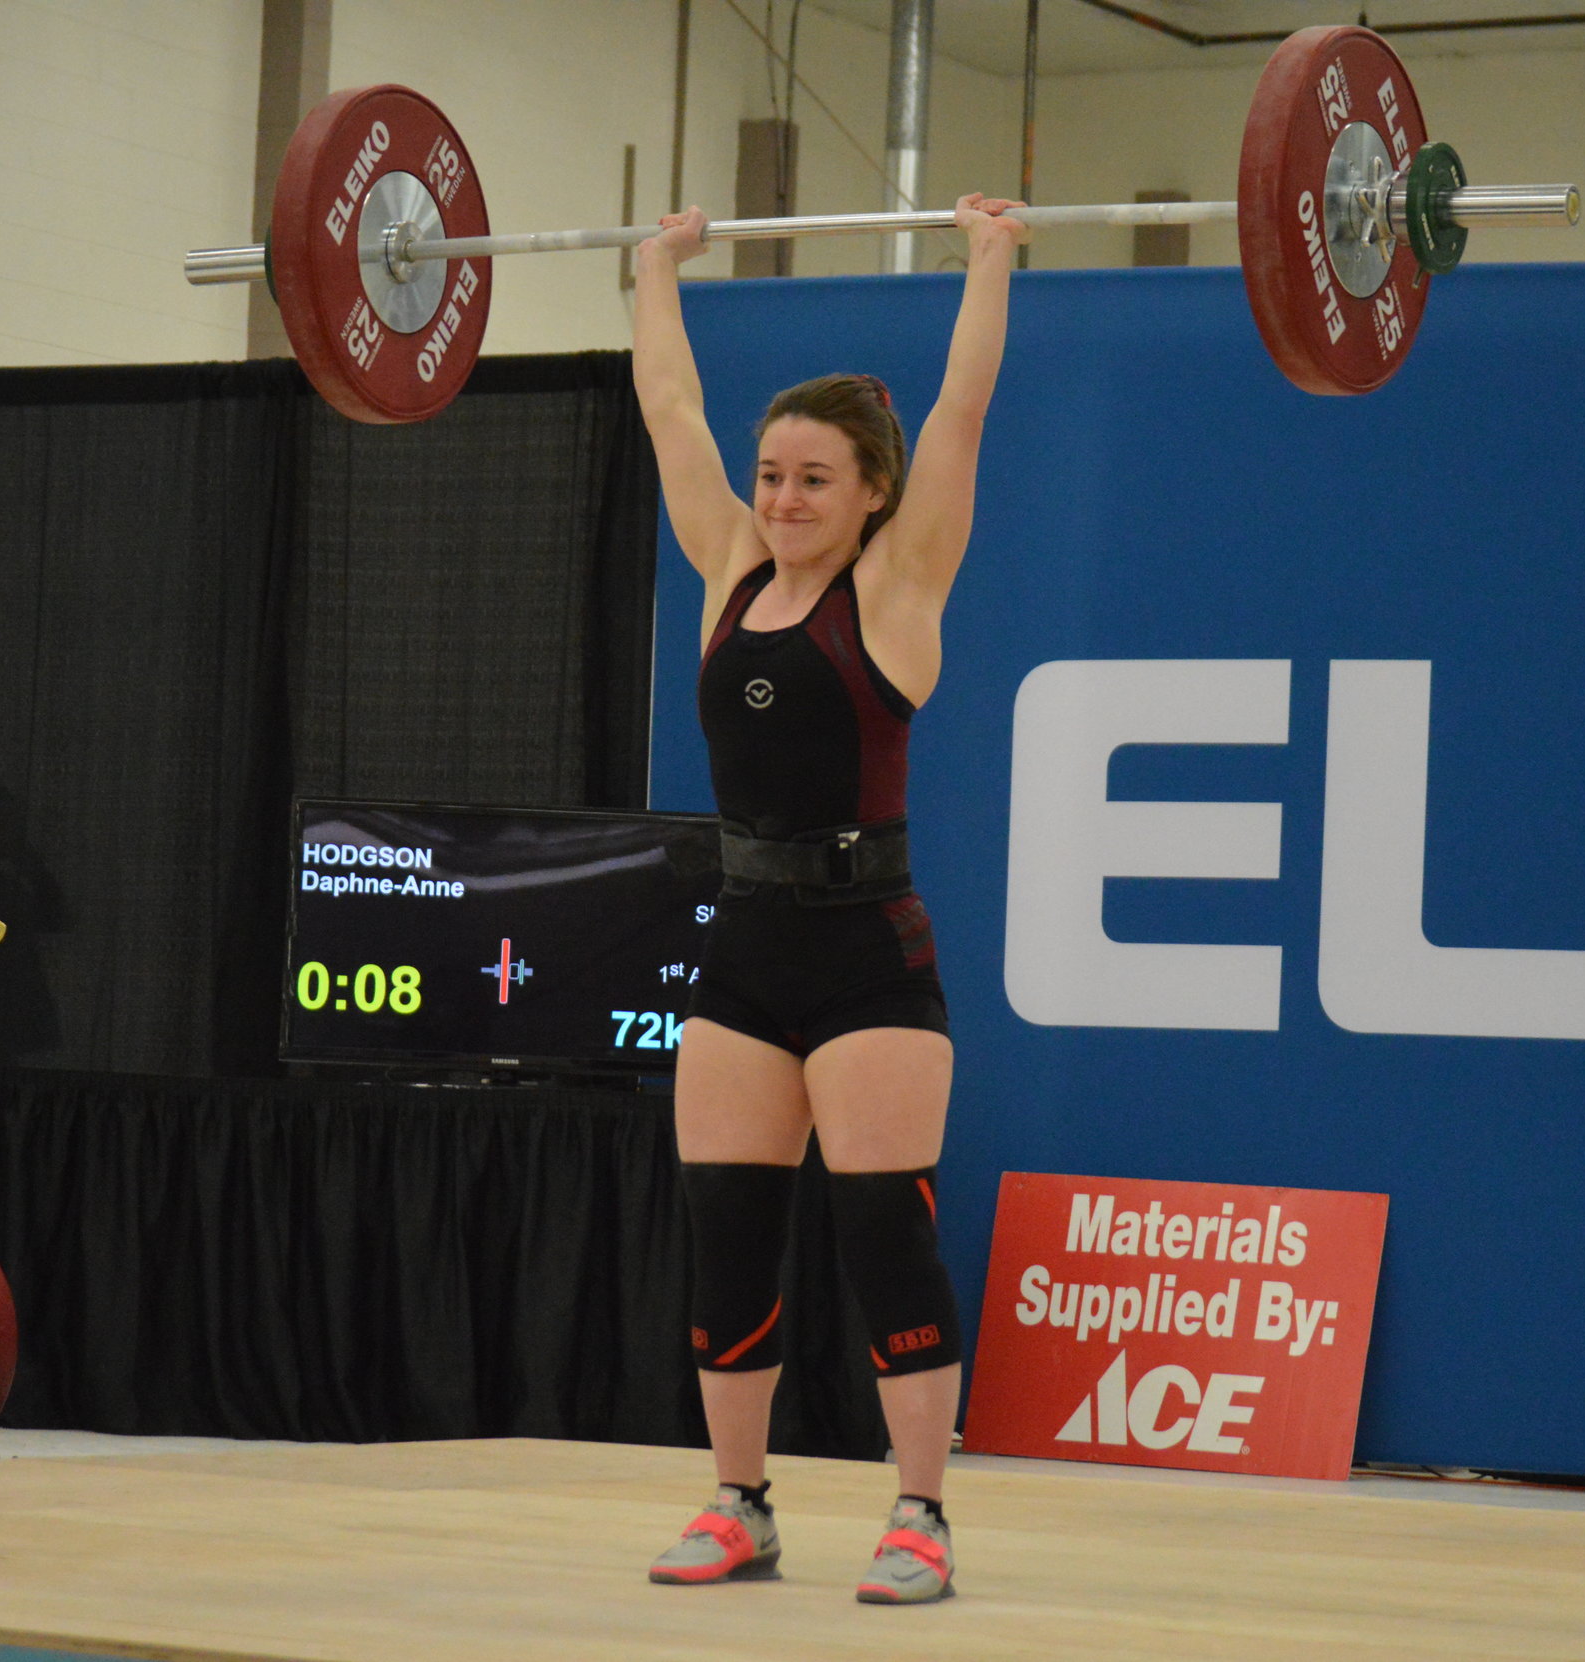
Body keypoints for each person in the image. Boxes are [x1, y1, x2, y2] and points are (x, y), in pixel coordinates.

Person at [630, 195, 1025, 1606]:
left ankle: (920, 1513)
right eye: (773, 476)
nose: (784, 500)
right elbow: (670, 406)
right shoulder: (730, 575)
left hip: (871, 959)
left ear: (871, 494)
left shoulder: (900, 588)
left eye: (814, 481)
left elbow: (963, 413)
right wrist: (653, 270)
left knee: (881, 1233)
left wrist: (989, 258)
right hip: (743, 956)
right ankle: (739, 1501)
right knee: (727, 1228)